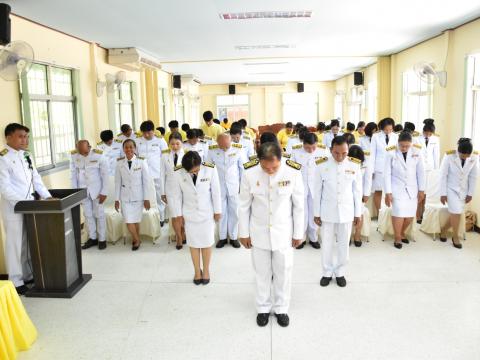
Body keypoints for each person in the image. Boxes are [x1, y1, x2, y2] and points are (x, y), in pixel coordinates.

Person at [239, 142, 304, 328]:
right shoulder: (249, 173)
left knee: (283, 271)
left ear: (280, 159)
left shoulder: (293, 171)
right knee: (262, 272)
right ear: (259, 160)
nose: (269, 170)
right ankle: (263, 308)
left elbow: (299, 205)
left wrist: (298, 232)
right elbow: (243, 205)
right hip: (258, 232)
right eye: (265, 166)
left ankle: (282, 307)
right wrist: (243, 232)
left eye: (274, 167)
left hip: (284, 232)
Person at [0, 123, 52, 295]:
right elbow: (4, 187)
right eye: (21, 136)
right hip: (14, 208)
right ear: (8, 137)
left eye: (26, 136)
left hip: (30, 206)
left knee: (27, 242)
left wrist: (47, 196)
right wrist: (24, 202)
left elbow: (36, 179)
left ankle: (27, 275)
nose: (25, 140)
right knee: (14, 244)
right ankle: (15, 281)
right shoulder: (2, 158)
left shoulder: (27, 156)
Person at [314, 136, 362, 288]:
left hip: (347, 211)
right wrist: (316, 213)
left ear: (348, 150)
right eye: (336, 153)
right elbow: (317, 191)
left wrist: (357, 213)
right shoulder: (321, 165)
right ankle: (327, 272)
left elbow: (357, 191)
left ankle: (340, 271)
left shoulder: (354, 165)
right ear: (330, 150)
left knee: (343, 245)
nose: (340, 156)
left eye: (344, 153)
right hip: (327, 211)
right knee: (327, 243)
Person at [170, 151, 222, 284]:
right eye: (191, 172)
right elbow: (176, 196)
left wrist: (218, 211)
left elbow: (216, 192)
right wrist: (178, 215)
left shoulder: (210, 168)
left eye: (196, 170)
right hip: (189, 214)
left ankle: (206, 271)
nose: (194, 173)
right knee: (193, 244)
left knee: (206, 243)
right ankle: (197, 272)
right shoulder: (177, 172)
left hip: (206, 213)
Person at [384, 131, 426, 249]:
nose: (404, 148)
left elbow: (421, 172)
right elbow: (386, 174)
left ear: (411, 144)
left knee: (409, 215)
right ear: (398, 143)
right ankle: (397, 237)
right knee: (398, 211)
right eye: (402, 145)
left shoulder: (417, 151)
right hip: (396, 188)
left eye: (407, 146)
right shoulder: (391, 152)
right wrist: (388, 192)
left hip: (412, 188)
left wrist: (422, 190)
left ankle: (401, 233)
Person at [207, 133, 245, 248]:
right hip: (218, 187)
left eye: (226, 146)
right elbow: (208, 169)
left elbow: (242, 168)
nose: (224, 149)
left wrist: (242, 186)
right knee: (220, 211)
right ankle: (222, 237)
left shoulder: (238, 149)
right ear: (217, 143)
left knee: (234, 211)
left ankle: (233, 237)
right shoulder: (211, 150)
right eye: (221, 146)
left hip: (234, 186)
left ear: (231, 141)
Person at [439, 138, 478, 249]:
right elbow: (443, 175)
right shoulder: (449, 156)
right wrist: (443, 193)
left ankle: (444, 230)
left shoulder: (474, 157)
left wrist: (470, 193)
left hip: (463, 190)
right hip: (450, 189)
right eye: (462, 155)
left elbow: (473, 176)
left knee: (457, 212)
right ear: (458, 151)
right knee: (456, 212)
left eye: (467, 155)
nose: (465, 157)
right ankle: (455, 237)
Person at [71, 140, 110, 250]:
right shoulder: (74, 156)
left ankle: (102, 239)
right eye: (80, 152)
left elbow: (105, 175)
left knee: (99, 214)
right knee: (88, 215)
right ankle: (93, 238)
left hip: (97, 191)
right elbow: (73, 175)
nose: (83, 155)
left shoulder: (99, 155)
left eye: (85, 152)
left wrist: (104, 192)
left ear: (89, 147)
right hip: (82, 190)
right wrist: (75, 193)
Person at [291, 132, 326, 249]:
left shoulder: (322, 151)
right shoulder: (295, 151)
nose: (311, 150)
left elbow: (325, 170)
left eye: (313, 147)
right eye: (307, 148)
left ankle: (313, 238)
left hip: (316, 187)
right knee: (301, 213)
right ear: (303, 144)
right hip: (300, 187)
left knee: (314, 213)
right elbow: (291, 171)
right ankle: (300, 238)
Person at [114, 139, 151, 251]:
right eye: (126, 147)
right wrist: (116, 199)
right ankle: (137, 239)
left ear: (135, 148)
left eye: (131, 147)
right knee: (128, 220)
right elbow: (117, 182)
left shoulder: (141, 161)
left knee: (135, 220)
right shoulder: (119, 163)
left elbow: (146, 181)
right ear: (123, 149)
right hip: (125, 197)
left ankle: (136, 239)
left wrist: (146, 198)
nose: (129, 149)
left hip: (138, 196)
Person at [136, 120, 168, 225]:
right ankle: (147, 219)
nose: (146, 135)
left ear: (153, 131)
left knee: (159, 196)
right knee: (144, 196)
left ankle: (161, 218)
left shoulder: (160, 141)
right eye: (144, 132)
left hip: (157, 172)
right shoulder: (138, 141)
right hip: (142, 174)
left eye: (148, 132)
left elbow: (165, 157)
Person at [160, 132, 186, 249]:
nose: (175, 146)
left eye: (177, 144)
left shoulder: (186, 154)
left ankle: (183, 233)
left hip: (185, 189)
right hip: (170, 189)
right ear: (168, 144)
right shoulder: (164, 156)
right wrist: (162, 192)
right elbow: (161, 175)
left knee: (183, 215)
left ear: (181, 143)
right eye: (172, 144)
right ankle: (179, 237)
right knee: (175, 215)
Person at [370, 117, 398, 213]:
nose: (388, 131)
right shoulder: (376, 136)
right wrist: (372, 170)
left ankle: (389, 215)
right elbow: (372, 154)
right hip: (379, 168)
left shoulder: (396, 136)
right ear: (382, 128)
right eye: (386, 129)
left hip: (392, 168)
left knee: (390, 191)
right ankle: (380, 215)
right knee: (378, 191)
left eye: (390, 129)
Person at [416, 119, 440, 223]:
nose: (428, 135)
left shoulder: (435, 139)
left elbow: (436, 155)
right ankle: (417, 215)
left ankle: (424, 216)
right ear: (423, 131)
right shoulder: (416, 138)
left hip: (430, 170)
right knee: (419, 192)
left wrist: (436, 171)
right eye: (426, 133)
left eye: (430, 133)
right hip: (420, 169)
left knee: (427, 194)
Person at [348, 145, 372, 247]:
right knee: (348, 215)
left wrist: (366, 194)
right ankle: (347, 236)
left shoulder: (366, 164)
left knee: (359, 214)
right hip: (347, 193)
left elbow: (368, 179)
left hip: (360, 193)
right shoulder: (346, 162)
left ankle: (357, 235)